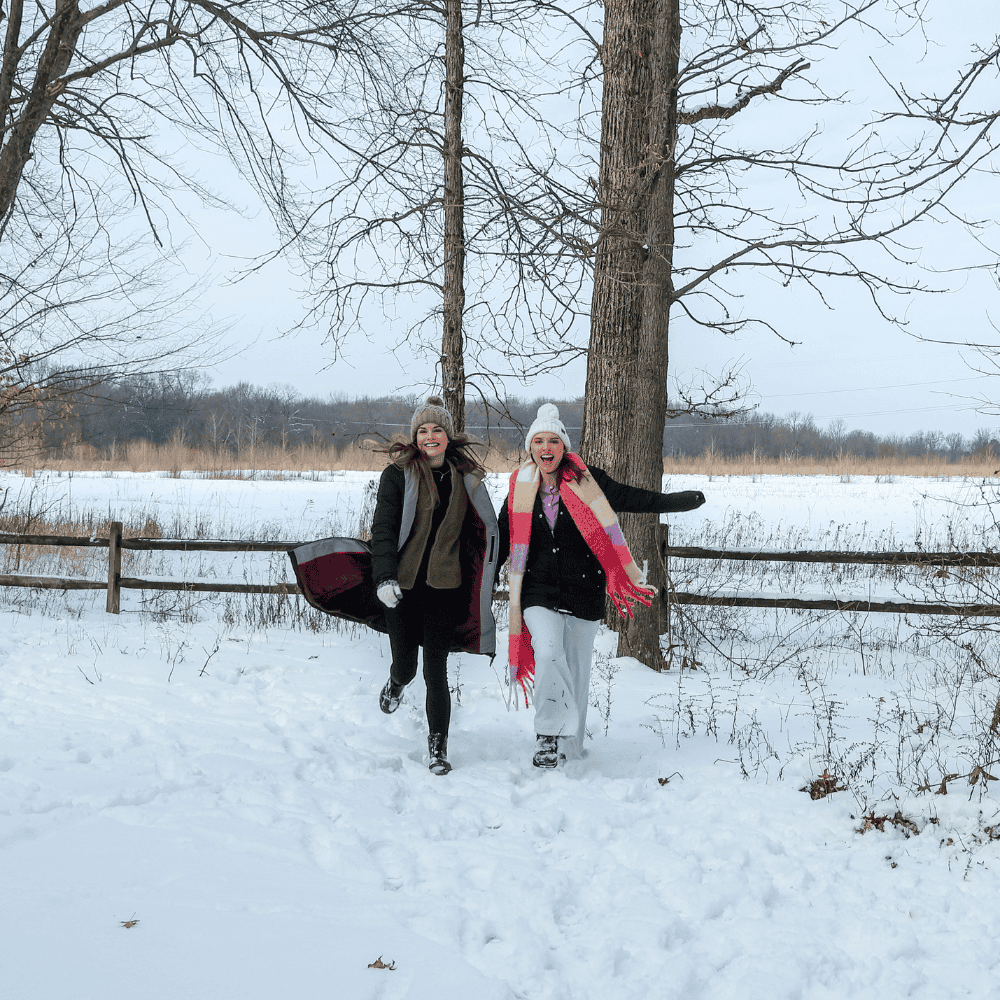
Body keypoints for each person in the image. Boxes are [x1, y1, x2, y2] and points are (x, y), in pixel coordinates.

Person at [497, 403, 706, 768]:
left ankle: (570, 747)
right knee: (547, 651)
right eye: (539, 441)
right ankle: (547, 735)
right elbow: (501, 537)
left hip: (584, 590)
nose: (546, 448)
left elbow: (630, 498)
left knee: (577, 671)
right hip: (537, 591)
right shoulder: (519, 487)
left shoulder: (587, 480)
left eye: (553, 441)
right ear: (531, 447)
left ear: (564, 446)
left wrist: (675, 502)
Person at [370, 396, 499, 775]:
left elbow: (485, 531)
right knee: (408, 667)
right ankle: (395, 682)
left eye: (437, 429)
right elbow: (383, 530)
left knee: (435, 671)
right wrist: (384, 577)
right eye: (423, 430)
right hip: (402, 588)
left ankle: (437, 748)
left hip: (445, 588)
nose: (430, 436)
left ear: (448, 436)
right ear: (415, 437)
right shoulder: (397, 475)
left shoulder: (466, 479)